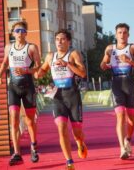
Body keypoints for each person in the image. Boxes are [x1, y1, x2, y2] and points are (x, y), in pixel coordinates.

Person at [36, 29, 88, 170]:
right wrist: (37, 73)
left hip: (73, 95)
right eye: (57, 39)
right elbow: (42, 71)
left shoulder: (73, 54)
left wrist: (67, 64)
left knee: (77, 132)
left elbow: (83, 73)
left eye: (63, 39)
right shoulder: (50, 56)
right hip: (58, 96)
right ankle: (69, 162)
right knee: (61, 128)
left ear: (69, 41)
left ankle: (80, 143)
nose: (59, 41)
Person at [0, 21, 41, 166]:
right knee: (14, 120)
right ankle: (17, 153)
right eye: (17, 31)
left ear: (26, 33)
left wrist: (26, 71)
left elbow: (38, 68)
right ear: (13, 33)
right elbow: (4, 63)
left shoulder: (32, 47)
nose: (20, 33)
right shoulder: (8, 48)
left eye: (22, 30)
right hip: (13, 87)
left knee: (29, 121)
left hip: (28, 87)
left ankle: (34, 147)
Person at [100, 23, 134, 159]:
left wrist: (130, 61)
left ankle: (128, 140)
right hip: (116, 84)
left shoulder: (132, 48)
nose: (122, 35)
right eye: (119, 32)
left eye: (125, 32)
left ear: (128, 35)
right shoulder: (110, 49)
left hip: (130, 84)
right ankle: (122, 148)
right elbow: (102, 64)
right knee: (120, 116)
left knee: (131, 121)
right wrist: (105, 65)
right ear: (116, 35)